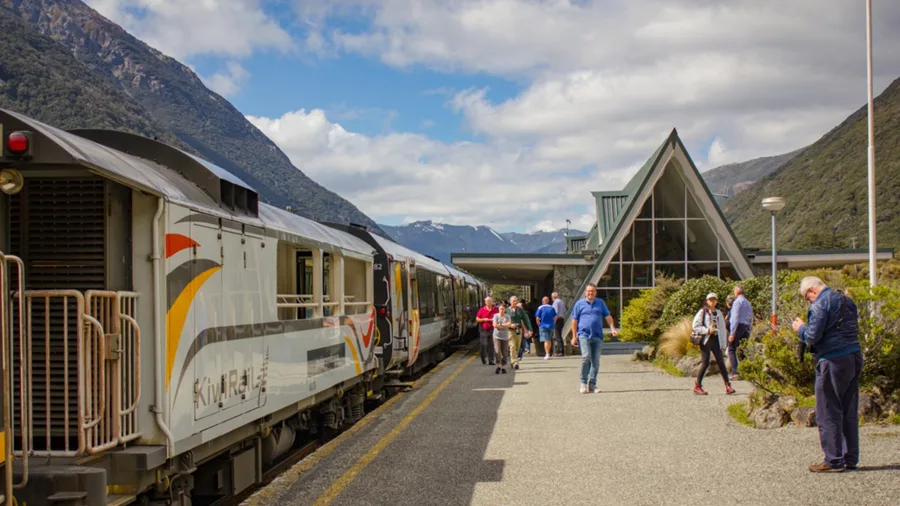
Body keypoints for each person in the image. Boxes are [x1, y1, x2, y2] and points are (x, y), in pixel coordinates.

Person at [791, 276, 862, 473]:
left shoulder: (820, 304)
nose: (808, 301)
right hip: (853, 356)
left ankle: (833, 460)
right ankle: (850, 457)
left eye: (807, 297)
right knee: (849, 409)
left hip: (832, 360)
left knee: (828, 410)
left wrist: (800, 328)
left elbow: (813, 336)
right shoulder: (847, 301)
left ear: (812, 290)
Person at [570, 284, 618, 393]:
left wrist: (612, 328)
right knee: (586, 357)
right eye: (588, 291)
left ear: (595, 292)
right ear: (585, 292)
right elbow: (574, 321)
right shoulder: (579, 304)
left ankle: (592, 384)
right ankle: (583, 383)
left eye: (592, 291)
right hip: (584, 334)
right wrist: (574, 336)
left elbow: (608, 316)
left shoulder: (600, 303)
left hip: (597, 336)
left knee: (595, 361)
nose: (590, 293)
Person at [692, 293, 735, 396]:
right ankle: (697, 385)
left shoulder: (719, 313)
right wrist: (707, 330)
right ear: (707, 301)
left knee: (721, 362)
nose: (712, 301)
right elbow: (695, 325)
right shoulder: (703, 312)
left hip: (716, 340)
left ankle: (728, 385)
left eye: (714, 299)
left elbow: (722, 328)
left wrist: (724, 343)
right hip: (706, 340)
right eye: (710, 300)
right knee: (705, 362)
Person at [728, 285, 753, 380]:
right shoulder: (747, 302)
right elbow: (751, 317)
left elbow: (735, 318)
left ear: (736, 292)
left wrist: (732, 333)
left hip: (738, 326)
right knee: (743, 349)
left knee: (732, 349)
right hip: (746, 327)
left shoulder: (736, 302)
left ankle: (735, 372)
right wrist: (750, 329)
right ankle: (745, 371)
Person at [507, 296, 532, 370]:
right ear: (510, 302)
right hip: (510, 330)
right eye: (513, 301)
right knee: (512, 346)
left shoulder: (520, 310)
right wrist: (510, 324)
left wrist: (529, 329)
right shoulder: (506, 310)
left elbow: (526, 319)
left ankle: (513, 361)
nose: (515, 302)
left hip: (518, 330)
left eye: (516, 301)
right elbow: (503, 320)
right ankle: (515, 362)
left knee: (518, 347)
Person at [475, 297, 498, 365]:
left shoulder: (495, 310)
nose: (488, 302)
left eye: (490, 301)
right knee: (483, 344)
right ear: (485, 302)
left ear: (492, 302)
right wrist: (484, 319)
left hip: (493, 329)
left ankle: (491, 360)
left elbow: (499, 317)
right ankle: (483, 358)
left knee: (491, 345)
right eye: (487, 301)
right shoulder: (482, 310)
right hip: (483, 329)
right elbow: (477, 319)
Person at [492, 302, 513, 374]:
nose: (501, 310)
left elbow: (509, 324)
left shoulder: (507, 316)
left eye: (503, 309)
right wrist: (504, 325)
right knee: (497, 351)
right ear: (498, 309)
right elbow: (495, 325)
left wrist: (500, 324)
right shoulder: (495, 316)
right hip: (496, 336)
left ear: (505, 310)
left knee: (505, 353)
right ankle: (498, 366)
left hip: (505, 337)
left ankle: (503, 366)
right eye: (500, 309)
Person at [551, 292, 567, 357]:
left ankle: (560, 351)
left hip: (557, 320)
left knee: (558, 336)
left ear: (552, 297)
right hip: (562, 319)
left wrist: (554, 321)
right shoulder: (561, 302)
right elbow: (564, 311)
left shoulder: (555, 302)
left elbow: (555, 312)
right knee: (559, 335)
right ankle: (560, 350)